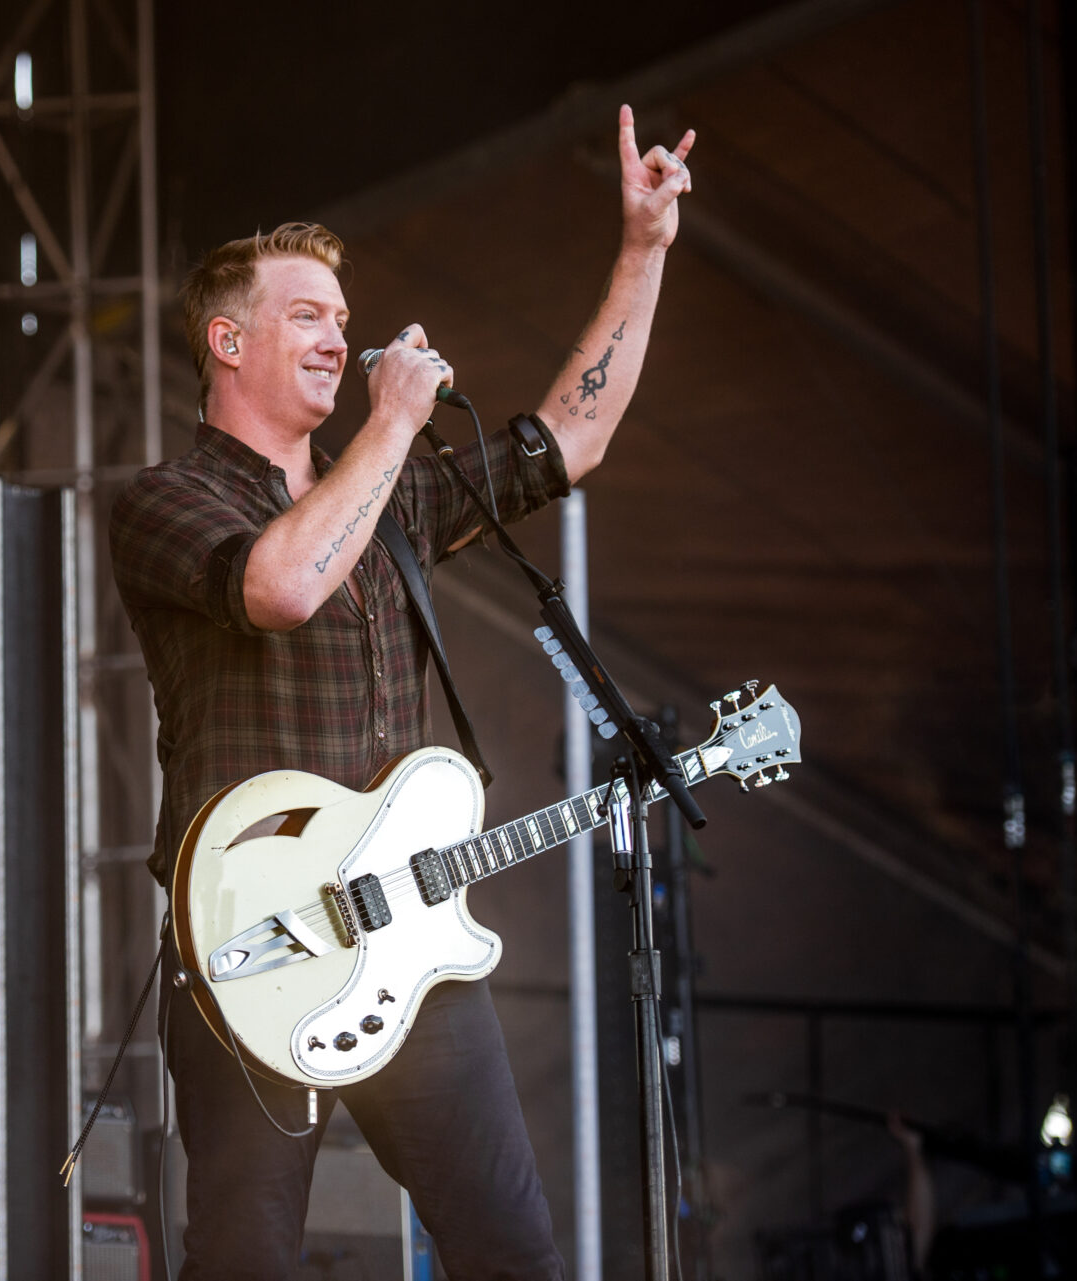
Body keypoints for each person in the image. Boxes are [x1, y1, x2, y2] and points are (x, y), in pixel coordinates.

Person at [108, 105, 693, 1279]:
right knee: (245, 1263)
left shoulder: (392, 497)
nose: (338, 336)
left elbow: (571, 438)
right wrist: (391, 424)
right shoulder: (165, 500)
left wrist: (643, 250)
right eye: (306, 316)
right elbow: (280, 587)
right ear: (226, 341)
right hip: (254, 944)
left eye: (343, 317)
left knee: (512, 1251)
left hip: (407, 940)